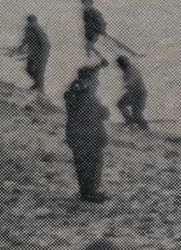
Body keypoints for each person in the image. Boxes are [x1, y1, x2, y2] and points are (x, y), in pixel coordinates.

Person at [63, 62, 110, 202]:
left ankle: (88, 192)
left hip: (79, 135)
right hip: (86, 137)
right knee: (89, 164)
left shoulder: (79, 93)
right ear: (88, 80)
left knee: (86, 164)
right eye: (95, 79)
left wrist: (99, 66)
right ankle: (89, 193)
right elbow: (101, 114)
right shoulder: (85, 96)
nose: (98, 82)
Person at [11, 14, 50, 91]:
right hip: (34, 52)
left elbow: (44, 43)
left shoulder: (38, 29)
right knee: (28, 68)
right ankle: (37, 84)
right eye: (29, 21)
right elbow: (25, 40)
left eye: (32, 21)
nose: (31, 23)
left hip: (42, 53)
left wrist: (38, 53)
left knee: (39, 70)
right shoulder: (28, 29)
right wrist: (19, 48)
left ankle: (39, 87)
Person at [114, 55, 148, 129]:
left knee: (136, 113)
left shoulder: (130, 70)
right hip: (133, 93)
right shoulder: (127, 70)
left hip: (139, 94)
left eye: (119, 65)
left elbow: (131, 84)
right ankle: (130, 123)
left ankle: (144, 128)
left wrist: (126, 87)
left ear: (122, 64)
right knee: (121, 105)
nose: (119, 67)